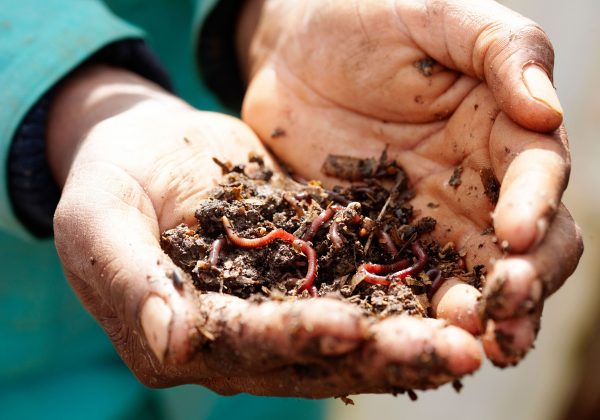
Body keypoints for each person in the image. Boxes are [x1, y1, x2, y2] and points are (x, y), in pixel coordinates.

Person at [0, 0, 583, 417]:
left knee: (303, 349)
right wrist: (68, 97)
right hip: (28, 370)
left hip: (271, 392)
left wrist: (273, 13)